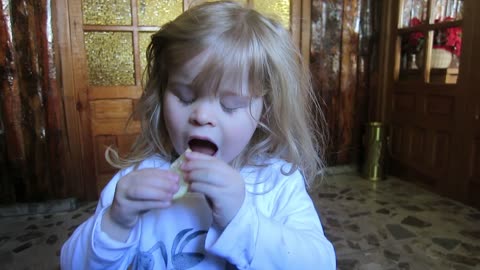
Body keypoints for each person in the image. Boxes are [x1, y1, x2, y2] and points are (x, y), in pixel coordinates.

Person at [61, 1, 335, 269]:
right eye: (184, 96)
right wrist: (116, 222)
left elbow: (321, 264)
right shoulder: (137, 178)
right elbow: (72, 264)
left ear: (264, 112)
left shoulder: (277, 183)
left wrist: (243, 220)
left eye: (231, 104)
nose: (202, 116)